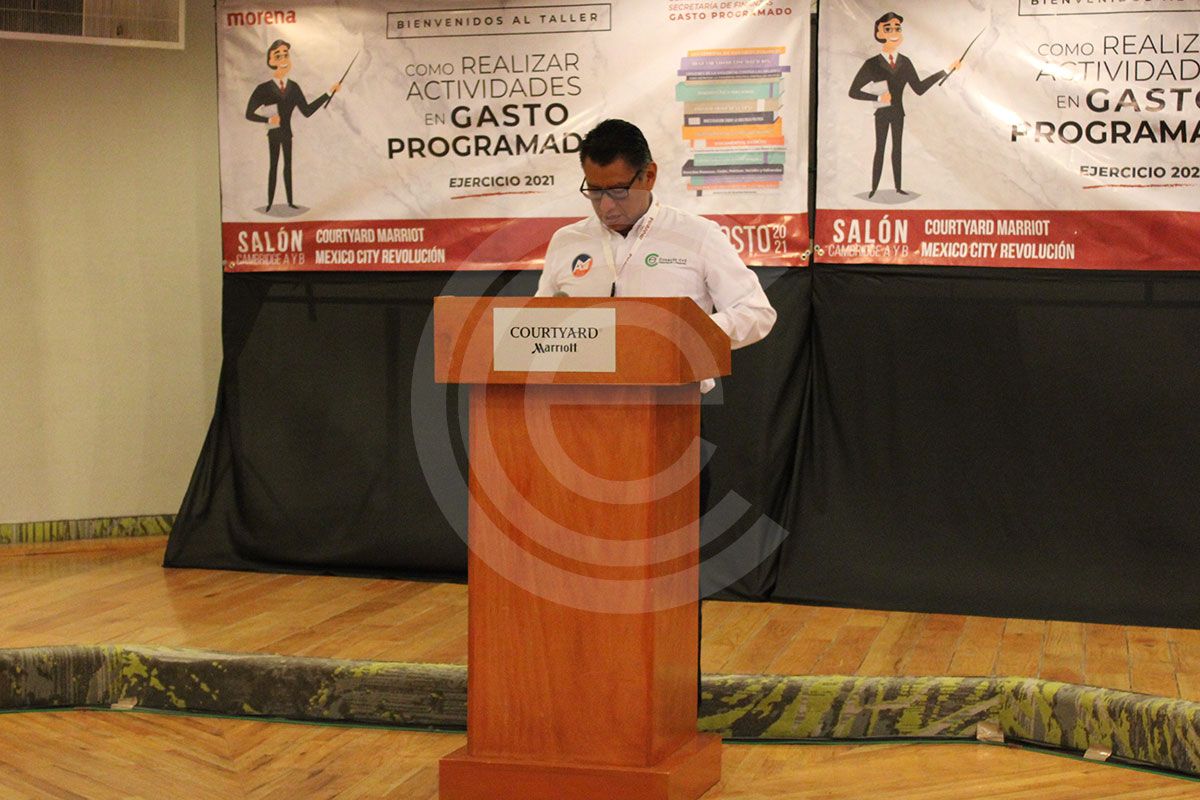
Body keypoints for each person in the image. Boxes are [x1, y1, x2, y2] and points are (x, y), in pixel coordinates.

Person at [537, 119, 776, 351]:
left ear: (649, 176)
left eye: (618, 191)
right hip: (583, 379)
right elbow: (537, 326)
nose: (606, 206)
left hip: (672, 378)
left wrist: (688, 332)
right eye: (595, 191)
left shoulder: (698, 235)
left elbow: (756, 313)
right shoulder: (566, 241)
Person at [848, 12, 961, 198]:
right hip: (882, 113)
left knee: (897, 149)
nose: (894, 33)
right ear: (879, 33)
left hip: (898, 113)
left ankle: (898, 187)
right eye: (888, 29)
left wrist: (946, 70)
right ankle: (874, 188)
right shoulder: (872, 64)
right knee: (880, 148)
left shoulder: (905, 62)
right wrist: (877, 98)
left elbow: (919, 88)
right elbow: (853, 91)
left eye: (897, 29)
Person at [245, 40, 341, 211]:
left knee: (287, 166)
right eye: (278, 56)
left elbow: (307, 111)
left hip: (287, 133)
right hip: (273, 134)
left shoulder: (294, 87)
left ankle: (290, 202)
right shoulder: (263, 88)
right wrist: (267, 120)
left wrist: (328, 93)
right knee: (273, 166)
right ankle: (269, 204)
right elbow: (249, 114)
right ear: (271, 61)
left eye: (286, 55)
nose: (283, 59)